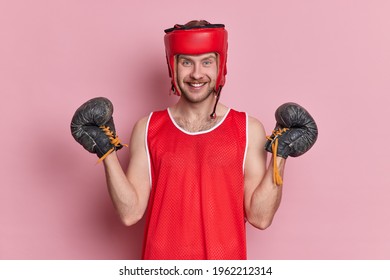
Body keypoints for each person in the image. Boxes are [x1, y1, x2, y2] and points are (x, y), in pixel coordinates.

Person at [70, 20, 318, 260]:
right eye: (186, 62)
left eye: (206, 62)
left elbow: (260, 218)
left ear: (220, 67)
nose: (196, 74)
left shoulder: (247, 129)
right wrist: (107, 152)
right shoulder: (147, 127)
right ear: (173, 66)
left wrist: (280, 154)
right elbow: (129, 213)